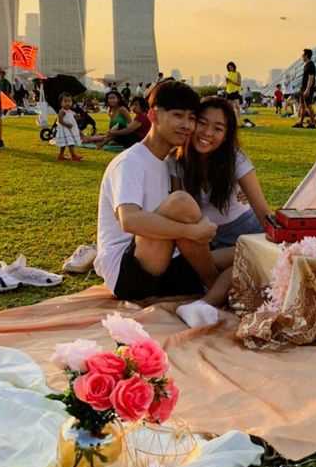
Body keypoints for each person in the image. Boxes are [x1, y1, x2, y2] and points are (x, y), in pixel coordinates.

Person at [94, 81, 233, 329]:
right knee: (180, 202)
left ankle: (207, 292)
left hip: (163, 260)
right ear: (153, 115)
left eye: (191, 118)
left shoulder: (167, 163)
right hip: (129, 274)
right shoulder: (129, 162)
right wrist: (192, 232)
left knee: (243, 255)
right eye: (178, 116)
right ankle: (211, 286)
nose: (187, 126)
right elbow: (130, 220)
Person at [171, 96, 272, 248]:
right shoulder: (176, 161)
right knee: (202, 264)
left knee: (212, 264)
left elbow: (264, 213)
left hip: (246, 234)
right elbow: (177, 213)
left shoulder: (236, 159)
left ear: (225, 136)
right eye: (202, 123)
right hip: (204, 239)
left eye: (218, 128)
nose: (207, 133)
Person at [55, 92, 82, 161]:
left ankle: (61, 155)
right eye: (65, 101)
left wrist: (77, 117)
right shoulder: (62, 111)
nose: (67, 103)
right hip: (65, 129)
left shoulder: (70, 111)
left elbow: (73, 117)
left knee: (64, 144)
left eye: (69, 101)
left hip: (70, 129)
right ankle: (73, 155)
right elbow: (60, 120)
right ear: (61, 103)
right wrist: (66, 124)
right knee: (70, 143)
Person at [296, 49, 316, 128]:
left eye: (303, 55)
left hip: (307, 89)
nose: (302, 57)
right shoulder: (306, 65)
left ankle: (313, 123)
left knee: (308, 105)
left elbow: (311, 78)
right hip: (303, 88)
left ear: (306, 56)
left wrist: (307, 89)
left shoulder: (311, 65)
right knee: (302, 106)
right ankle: (300, 122)